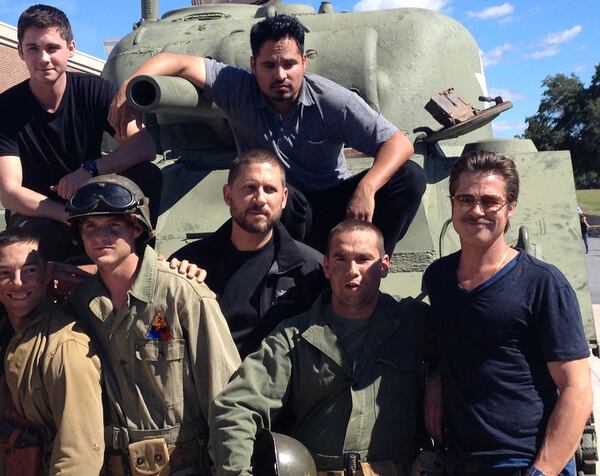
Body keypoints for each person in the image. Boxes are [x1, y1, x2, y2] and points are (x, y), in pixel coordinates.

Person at [109, 14, 425, 255]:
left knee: (409, 177)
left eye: (289, 64)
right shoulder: (237, 88)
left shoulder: (332, 100)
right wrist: (129, 86)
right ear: (253, 65)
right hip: (281, 205)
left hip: (334, 201)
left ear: (304, 61)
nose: (280, 75)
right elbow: (176, 62)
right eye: (269, 65)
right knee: (280, 195)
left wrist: (367, 188)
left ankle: (370, 259)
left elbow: (398, 143)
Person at [210, 219, 432, 475]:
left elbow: (465, 357)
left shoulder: (413, 323)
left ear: (384, 266)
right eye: (340, 259)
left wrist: (437, 375)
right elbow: (236, 406)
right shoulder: (293, 336)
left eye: (363, 259)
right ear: (326, 266)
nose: (351, 270)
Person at [423, 151, 592, 476]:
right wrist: (436, 377)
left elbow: (577, 388)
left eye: (490, 201)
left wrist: (542, 470)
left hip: (523, 460)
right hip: (460, 461)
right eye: (466, 199)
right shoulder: (439, 278)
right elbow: (458, 341)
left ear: (511, 206)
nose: (476, 210)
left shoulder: (542, 284)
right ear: (452, 202)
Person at [65, 175, 241, 475]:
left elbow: (226, 397)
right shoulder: (81, 304)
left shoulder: (182, 294)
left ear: (136, 228)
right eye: (89, 227)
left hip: (184, 465)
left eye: (113, 226)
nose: (99, 237)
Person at [0, 4, 161, 261]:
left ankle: (140, 259)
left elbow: (143, 147)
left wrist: (89, 170)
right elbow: (10, 191)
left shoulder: (93, 91)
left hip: (92, 196)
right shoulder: (6, 108)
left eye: (52, 48)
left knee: (147, 174)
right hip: (38, 210)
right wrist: (68, 215)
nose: (43, 58)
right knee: (35, 246)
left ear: (71, 49)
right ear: (20, 52)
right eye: (33, 48)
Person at [170, 149, 326, 358]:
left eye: (270, 189)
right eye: (249, 188)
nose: (260, 199)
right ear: (228, 195)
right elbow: (159, 337)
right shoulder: (189, 264)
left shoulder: (310, 270)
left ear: (283, 198)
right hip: (213, 385)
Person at [0, 228, 103, 474]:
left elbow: (78, 456)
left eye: (30, 271)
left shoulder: (64, 348)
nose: (18, 282)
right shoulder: (10, 330)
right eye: (5, 273)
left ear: (47, 274)